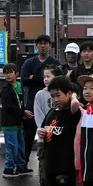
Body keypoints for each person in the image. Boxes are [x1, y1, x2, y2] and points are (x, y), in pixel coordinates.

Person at [39, 76, 82, 186]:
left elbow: (76, 104)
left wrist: (73, 97)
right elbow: (44, 128)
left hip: (66, 160)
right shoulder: (52, 112)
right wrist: (41, 132)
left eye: (59, 95)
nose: (55, 99)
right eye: (52, 96)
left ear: (69, 94)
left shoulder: (73, 111)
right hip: (51, 158)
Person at [20, 35, 58, 167]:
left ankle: (52, 164)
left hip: (52, 103)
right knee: (28, 135)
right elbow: (24, 80)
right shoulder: (29, 62)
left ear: (50, 46)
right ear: (36, 46)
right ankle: (23, 163)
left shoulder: (55, 62)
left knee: (53, 133)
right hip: (32, 102)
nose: (43, 46)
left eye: (46, 43)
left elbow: (59, 79)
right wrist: (42, 79)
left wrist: (33, 78)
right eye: (40, 43)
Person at [34, 65, 63, 186]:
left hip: (60, 134)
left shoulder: (63, 93)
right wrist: (43, 129)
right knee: (44, 163)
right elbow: (38, 114)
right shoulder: (40, 94)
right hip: (44, 135)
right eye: (44, 76)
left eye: (48, 76)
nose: (45, 79)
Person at [0, 63, 29, 178]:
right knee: (12, 147)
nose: (7, 75)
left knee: (21, 145)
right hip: (9, 123)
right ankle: (9, 168)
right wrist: (23, 113)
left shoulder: (20, 86)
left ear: (16, 74)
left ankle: (21, 166)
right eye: (5, 73)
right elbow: (8, 107)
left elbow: (21, 103)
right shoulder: (5, 90)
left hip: (19, 122)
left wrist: (22, 113)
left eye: (10, 72)